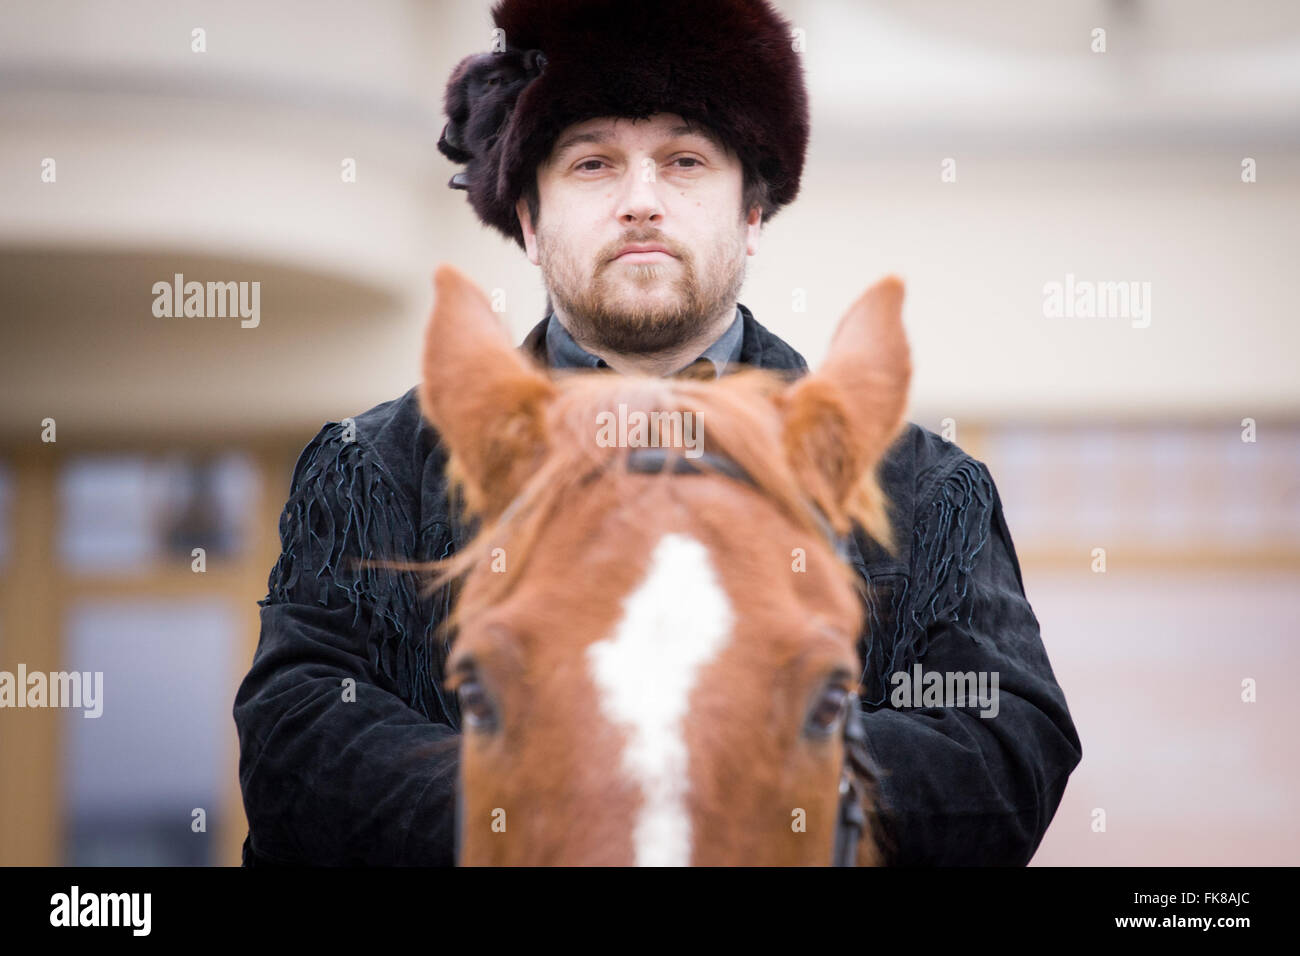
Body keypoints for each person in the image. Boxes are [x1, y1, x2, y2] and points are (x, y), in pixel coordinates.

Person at [233, 0, 1082, 866]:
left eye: (684, 161)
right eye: (594, 163)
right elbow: (296, 733)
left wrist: (742, 784)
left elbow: (1005, 742)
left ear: (752, 213)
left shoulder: (922, 487)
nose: (641, 202)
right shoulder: (376, 469)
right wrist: (559, 800)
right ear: (528, 219)